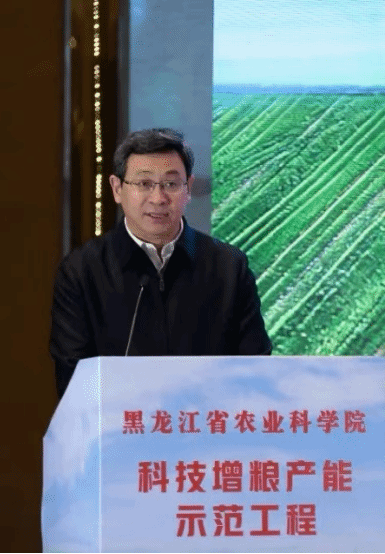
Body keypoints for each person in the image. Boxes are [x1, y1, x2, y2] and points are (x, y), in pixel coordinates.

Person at [49, 128, 272, 399]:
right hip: (120, 423)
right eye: (144, 184)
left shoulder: (229, 267)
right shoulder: (82, 271)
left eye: (171, 184)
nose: (158, 198)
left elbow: (256, 369)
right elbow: (74, 381)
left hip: (207, 422)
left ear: (188, 189)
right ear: (117, 189)